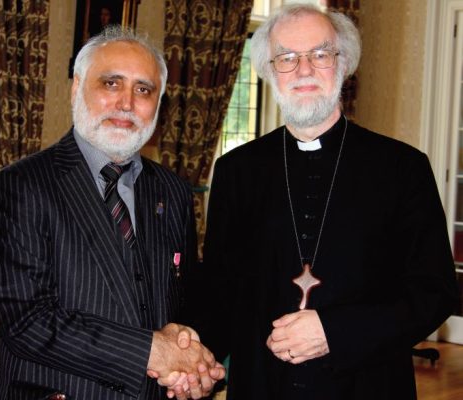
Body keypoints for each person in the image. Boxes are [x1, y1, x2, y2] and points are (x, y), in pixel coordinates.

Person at [187, 4, 459, 400]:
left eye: (319, 54)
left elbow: (435, 293)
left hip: (368, 385)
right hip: (263, 384)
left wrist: (335, 331)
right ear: (268, 69)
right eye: (287, 58)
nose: (303, 70)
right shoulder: (236, 170)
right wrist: (195, 361)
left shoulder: (403, 168)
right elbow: (221, 290)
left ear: (343, 63)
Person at [0, 26, 224, 400]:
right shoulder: (22, 185)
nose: (127, 103)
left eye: (143, 90)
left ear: (158, 106)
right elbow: (28, 321)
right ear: (78, 88)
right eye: (111, 84)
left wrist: (190, 362)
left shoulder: (173, 191)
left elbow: (187, 300)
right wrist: (150, 350)